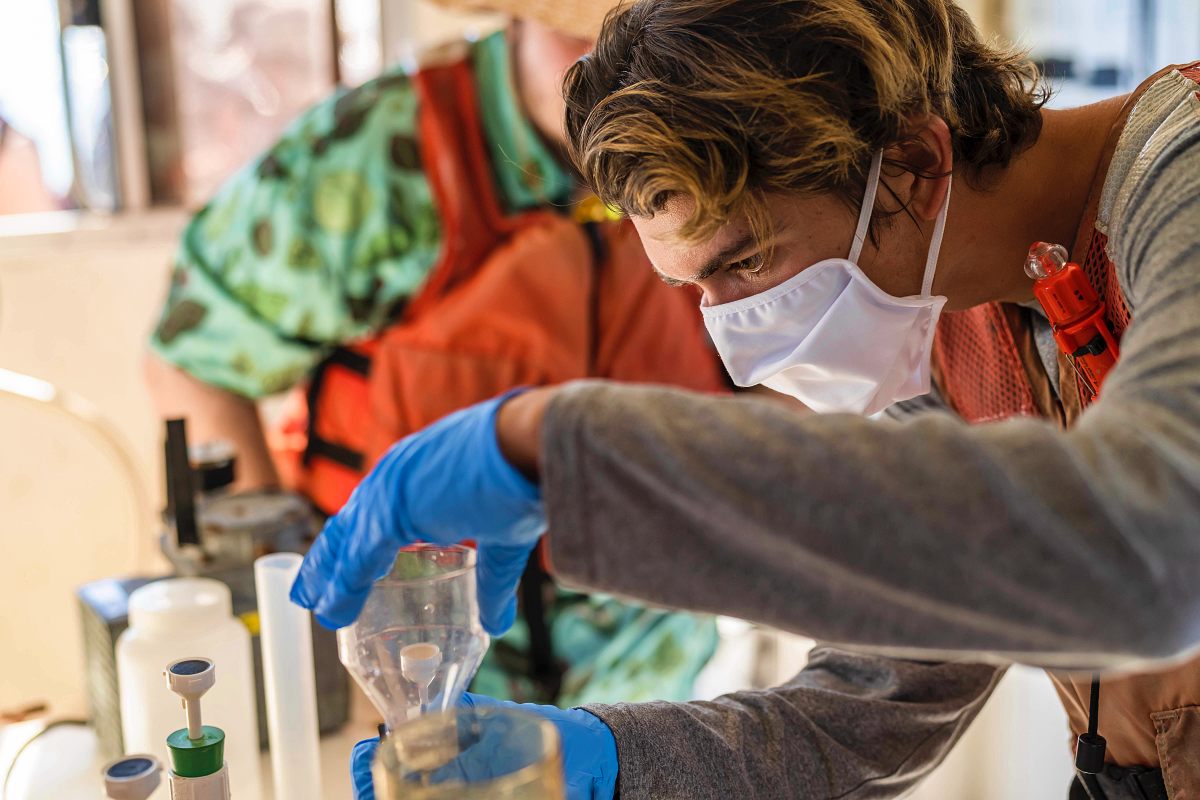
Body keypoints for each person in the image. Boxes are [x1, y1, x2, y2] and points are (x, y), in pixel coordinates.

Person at [292, 0, 1200, 798]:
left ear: (916, 163)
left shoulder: (1183, 183)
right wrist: (605, 760)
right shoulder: (947, 327)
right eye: (695, 288)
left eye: (747, 262)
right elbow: (872, 710)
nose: (733, 339)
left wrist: (561, 450)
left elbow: (1154, 553)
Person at [144, 0, 729, 713]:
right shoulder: (375, 158)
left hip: (652, 683)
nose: (619, 67)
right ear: (517, 15)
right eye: (584, 30)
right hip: (410, 682)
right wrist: (305, 651)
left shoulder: (725, 126)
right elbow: (193, 362)